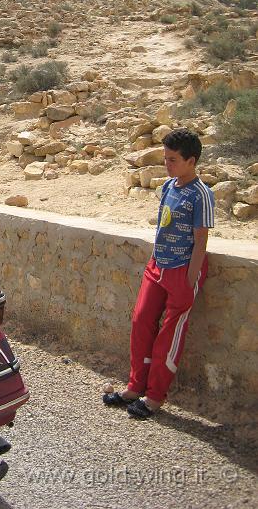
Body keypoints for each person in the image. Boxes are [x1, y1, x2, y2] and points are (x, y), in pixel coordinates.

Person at [103, 128, 214, 419]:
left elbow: (201, 240)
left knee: (169, 337)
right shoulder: (168, 186)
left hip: (181, 272)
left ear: (191, 161)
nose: (167, 164)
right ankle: (134, 387)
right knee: (141, 322)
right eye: (165, 158)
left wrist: (189, 281)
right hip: (158, 266)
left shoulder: (202, 195)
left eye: (173, 159)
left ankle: (154, 398)